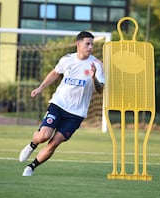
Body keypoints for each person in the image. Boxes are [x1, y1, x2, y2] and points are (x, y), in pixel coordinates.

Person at [18, 31, 105, 176]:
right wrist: (40, 88)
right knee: (43, 136)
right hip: (59, 104)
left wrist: (94, 77)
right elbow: (55, 73)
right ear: (78, 44)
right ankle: (32, 144)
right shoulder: (67, 59)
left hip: (77, 113)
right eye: (87, 44)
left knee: (55, 141)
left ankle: (31, 167)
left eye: (92, 45)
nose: (90, 47)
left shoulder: (96, 65)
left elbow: (100, 90)